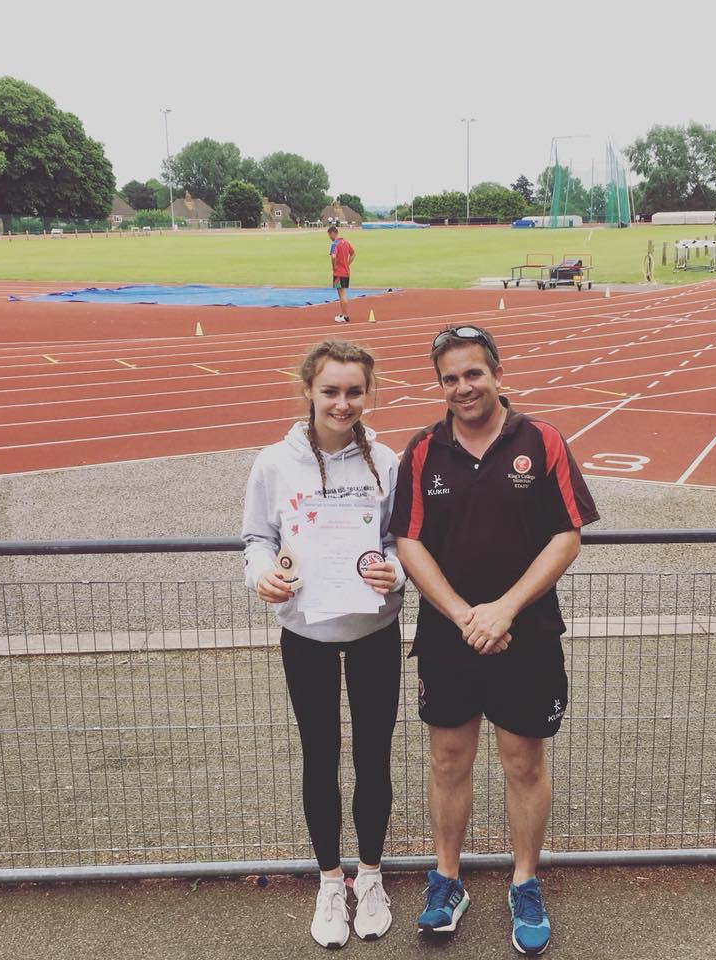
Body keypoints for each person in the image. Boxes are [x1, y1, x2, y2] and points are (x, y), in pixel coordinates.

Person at [390, 325, 599, 956]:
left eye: (473, 373)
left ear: (497, 374)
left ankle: (525, 882)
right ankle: (446, 880)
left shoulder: (542, 440)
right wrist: (466, 617)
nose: (463, 388)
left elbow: (567, 536)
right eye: (450, 378)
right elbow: (408, 541)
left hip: (527, 634)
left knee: (523, 763)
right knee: (448, 761)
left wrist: (503, 610)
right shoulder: (423, 450)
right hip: (448, 634)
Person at [242, 339, 405, 949]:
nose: (342, 403)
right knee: (320, 756)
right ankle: (331, 882)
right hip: (306, 632)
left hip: (373, 631)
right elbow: (257, 538)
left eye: (354, 391)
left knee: (373, 757)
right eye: (330, 390)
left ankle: (372, 875)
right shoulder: (274, 463)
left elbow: (399, 540)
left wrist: (395, 571)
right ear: (308, 390)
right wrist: (261, 574)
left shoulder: (384, 461)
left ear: (369, 393)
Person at [328, 225, 356, 323]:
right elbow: (353, 254)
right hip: (346, 272)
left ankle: (345, 316)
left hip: (338, 273)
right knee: (342, 293)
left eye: (329, 235)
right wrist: (347, 264)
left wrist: (334, 267)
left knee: (341, 294)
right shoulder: (346, 242)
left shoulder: (335, 244)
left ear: (332, 233)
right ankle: (343, 313)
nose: (330, 238)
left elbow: (333, 256)